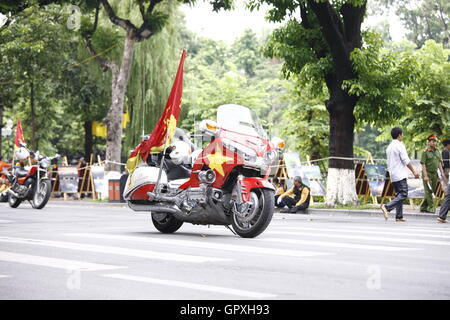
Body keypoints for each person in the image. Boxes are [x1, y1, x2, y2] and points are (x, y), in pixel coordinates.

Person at [381, 127, 420, 222]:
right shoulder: (400, 145)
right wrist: (414, 171)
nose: (403, 136)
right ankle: (387, 206)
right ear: (399, 135)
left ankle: (399, 216)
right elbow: (406, 160)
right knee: (403, 194)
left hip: (393, 174)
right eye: (402, 134)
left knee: (398, 194)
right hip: (400, 174)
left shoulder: (389, 147)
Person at [420, 135, 447, 213]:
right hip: (427, 173)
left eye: (435, 141)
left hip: (435, 174)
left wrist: (442, 174)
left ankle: (423, 207)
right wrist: (425, 175)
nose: (434, 142)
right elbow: (423, 164)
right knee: (428, 190)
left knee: (433, 190)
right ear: (429, 142)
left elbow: (439, 163)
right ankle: (432, 207)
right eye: (432, 141)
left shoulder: (437, 151)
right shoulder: (425, 152)